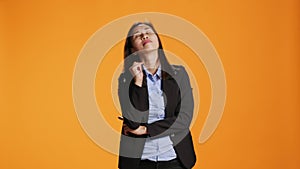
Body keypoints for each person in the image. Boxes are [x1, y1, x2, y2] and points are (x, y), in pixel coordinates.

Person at [118, 22, 196, 169]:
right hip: (139, 161)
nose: (144, 35)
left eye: (148, 31)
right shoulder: (125, 80)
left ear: (158, 40)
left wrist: (146, 129)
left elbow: (184, 118)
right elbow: (133, 123)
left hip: (175, 158)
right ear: (132, 48)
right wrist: (138, 82)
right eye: (137, 35)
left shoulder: (179, 74)